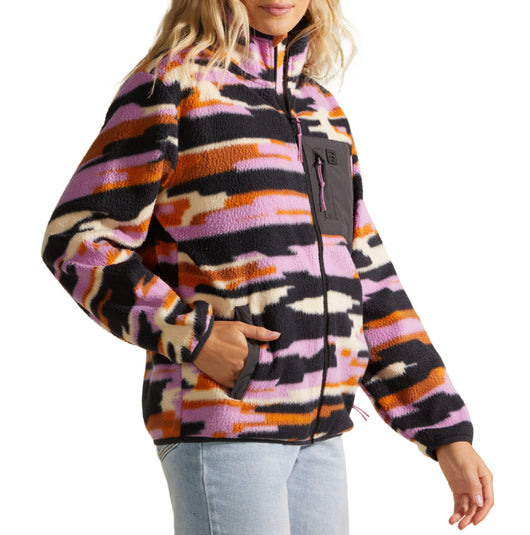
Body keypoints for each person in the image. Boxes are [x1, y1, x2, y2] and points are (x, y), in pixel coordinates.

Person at [41, 0, 494, 533]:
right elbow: (78, 239)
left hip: (321, 436)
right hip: (223, 424)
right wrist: (195, 337)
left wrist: (445, 430)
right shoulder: (172, 86)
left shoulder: (321, 110)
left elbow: (365, 280)